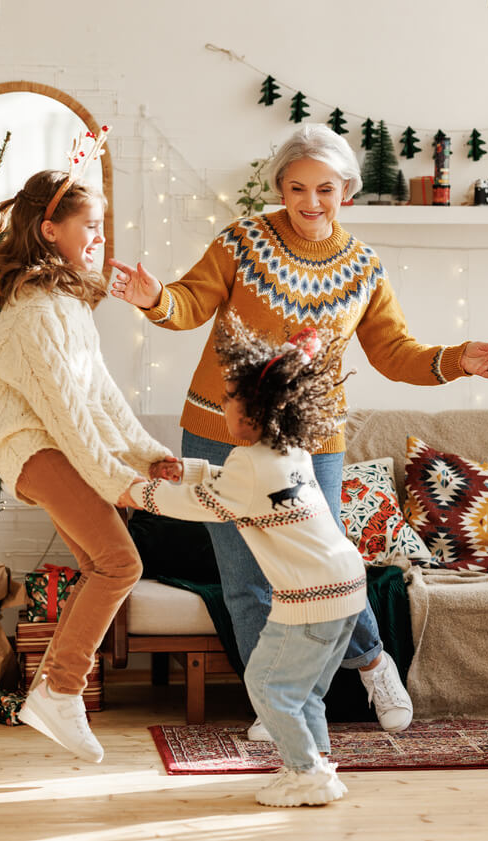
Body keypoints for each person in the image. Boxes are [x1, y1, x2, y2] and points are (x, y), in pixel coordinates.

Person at [107, 123, 488, 740]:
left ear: (346, 191)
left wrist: (457, 358)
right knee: (245, 579)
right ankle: (276, 706)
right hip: (220, 428)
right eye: (296, 188)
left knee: (324, 569)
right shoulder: (242, 242)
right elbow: (189, 303)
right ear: (279, 187)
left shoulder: (361, 267)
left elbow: (393, 352)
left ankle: (374, 663)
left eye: (324, 189)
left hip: (312, 440)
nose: (309, 201)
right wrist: (154, 298)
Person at [0, 168, 181, 763]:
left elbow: (101, 395)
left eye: (101, 226)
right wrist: (120, 482)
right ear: (49, 229)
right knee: (120, 563)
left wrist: (149, 456)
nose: (98, 237)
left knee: (100, 564)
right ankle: (60, 690)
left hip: (53, 448)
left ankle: (54, 691)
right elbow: (65, 415)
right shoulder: (35, 311)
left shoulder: (65, 300)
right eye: (89, 226)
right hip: (37, 450)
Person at [124, 315, 362, 807]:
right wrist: (188, 469)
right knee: (304, 692)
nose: (223, 408)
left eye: (228, 401)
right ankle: (316, 765)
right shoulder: (288, 449)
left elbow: (202, 506)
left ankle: (304, 773)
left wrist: (137, 492)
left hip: (310, 598)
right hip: (347, 588)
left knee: (268, 685)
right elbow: (241, 486)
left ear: (250, 416)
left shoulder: (250, 464)